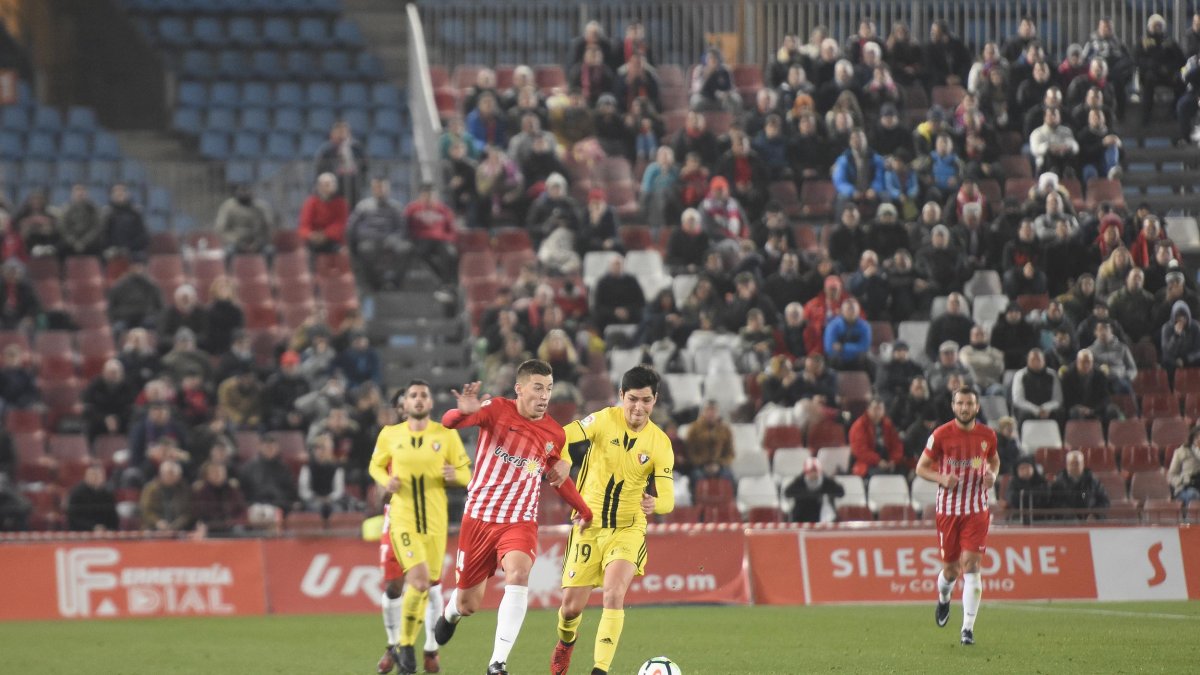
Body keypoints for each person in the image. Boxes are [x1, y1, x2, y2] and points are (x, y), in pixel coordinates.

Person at [432, 361, 592, 675]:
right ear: (519, 388)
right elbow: (449, 423)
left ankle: (498, 663)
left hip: (520, 521)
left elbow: (557, 478)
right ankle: (451, 612)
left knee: (518, 574)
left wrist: (584, 510)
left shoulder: (554, 433)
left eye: (548, 388)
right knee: (468, 604)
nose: (544, 395)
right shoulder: (495, 410)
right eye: (537, 387)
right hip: (479, 518)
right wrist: (462, 412)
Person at [551, 366, 675, 675]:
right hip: (588, 525)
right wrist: (564, 459)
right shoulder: (604, 420)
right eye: (632, 399)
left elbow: (668, 500)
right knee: (570, 609)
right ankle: (566, 643)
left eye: (646, 400)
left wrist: (655, 503)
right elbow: (562, 434)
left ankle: (600, 669)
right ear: (621, 396)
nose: (638, 408)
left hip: (627, 528)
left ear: (655, 400)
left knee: (613, 594)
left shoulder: (660, 443)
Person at [369, 382, 472, 675]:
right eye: (412, 395)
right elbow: (375, 466)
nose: (418, 400)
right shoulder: (390, 435)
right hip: (402, 519)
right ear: (404, 404)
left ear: (430, 402)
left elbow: (467, 474)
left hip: (435, 522)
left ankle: (422, 648)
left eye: (423, 395)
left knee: (427, 585)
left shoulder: (445, 435)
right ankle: (402, 645)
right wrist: (385, 482)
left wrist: (456, 476)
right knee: (414, 581)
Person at [915, 387, 999, 646]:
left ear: (977, 407)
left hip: (977, 510)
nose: (965, 408)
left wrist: (992, 475)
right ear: (953, 406)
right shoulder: (940, 435)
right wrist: (941, 478)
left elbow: (994, 461)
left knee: (971, 566)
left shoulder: (987, 435)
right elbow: (921, 468)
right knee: (950, 571)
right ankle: (944, 599)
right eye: (960, 403)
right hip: (948, 512)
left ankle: (967, 629)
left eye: (969, 403)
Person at [684, 400, 736, 490]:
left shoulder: (725, 430)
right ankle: (697, 498)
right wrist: (703, 463)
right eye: (708, 410)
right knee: (697, 477)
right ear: (703, 412)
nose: (711, 414)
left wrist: (719, 464)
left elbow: (730, 452)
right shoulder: (694, 429)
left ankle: (729, 499)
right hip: (699, 465)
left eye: (714, 411)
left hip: (720, 465)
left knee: (728, 477)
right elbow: (689, 452)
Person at [314, 121, 368, 206]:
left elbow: (365, 166)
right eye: (338, 132)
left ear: (349, 133)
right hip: (334, 188)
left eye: (343, 132)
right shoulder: (326, 150)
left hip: (354, 186)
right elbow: (320, 169)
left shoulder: (356, 148)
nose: (341, 136)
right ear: (332, 134)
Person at [849, 398, 906, 477]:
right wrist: (878, 461)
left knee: (904, 472)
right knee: (881, 475)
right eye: (875, 408)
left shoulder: (888, 424)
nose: (878, 412)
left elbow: (897, 445)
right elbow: (860, 450)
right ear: (868, 409)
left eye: (880, 409)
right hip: (866, 464)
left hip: (887, 461)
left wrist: (893, 460)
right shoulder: (859, 426)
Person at [1049, 450, 1110, 520]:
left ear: (1083, 464)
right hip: (1067, 522)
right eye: (1072, 463)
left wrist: (1095, 515)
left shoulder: (1093, 480)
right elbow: (1056, 504)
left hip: (1091, 521)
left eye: (1077, 463)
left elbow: (1104, 501)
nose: (1074, 466)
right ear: (1067, 465)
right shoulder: (1058, 483)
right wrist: (1070, 517)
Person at [215, 184, 274, 255]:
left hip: (256, 243)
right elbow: (221, 229)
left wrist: (257, 243)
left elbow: (268, 228)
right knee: (229, 252)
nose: (245, 193)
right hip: (235, 243)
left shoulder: (260, 208)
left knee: (269, 251)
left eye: (247, 190)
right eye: (242, 190)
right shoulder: (228, 207)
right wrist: (236, 242)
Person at [299, 173, 349, 253]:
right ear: (319, 186)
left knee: (343, 251)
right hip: (313, 241)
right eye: (326, 184)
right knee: (305, 252)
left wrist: (325, 234)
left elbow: (340, 224)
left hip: (334, 240)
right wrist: (311, 235)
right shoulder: (311, 202)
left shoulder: (341, 203)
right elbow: (304, 225)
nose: (330, 186)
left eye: (332, 183)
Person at [783, 457, 845, 522]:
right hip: (801, 515)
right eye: (811, 472)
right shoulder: (799, 481)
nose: (813, 474)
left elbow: (841, 492)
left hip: (823, 516)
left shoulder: (827, 481)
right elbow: (787, 493)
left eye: (815, 471)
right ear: (806, 472)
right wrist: (807, 495)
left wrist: (823, 494)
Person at [66, 463, 118, 532]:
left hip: (105, 532)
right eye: (93, 475)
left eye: (99, 475)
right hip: (81, 532)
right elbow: (73, 518)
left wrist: (109, 529)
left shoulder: (107, 494)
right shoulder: (77, 493)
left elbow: (113, 517)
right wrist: (93, 527)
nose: (96, 478)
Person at [1167, 427, 1200, 507]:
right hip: (1186, 488)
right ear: (1193, 438)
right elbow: (1171, 476)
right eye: (1197, 437)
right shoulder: (1181, 452)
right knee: (1193, 494)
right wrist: (1184, 480)